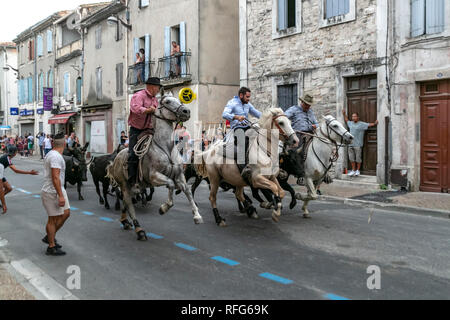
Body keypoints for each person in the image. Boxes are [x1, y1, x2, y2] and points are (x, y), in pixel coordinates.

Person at [127, 77, 160, 193]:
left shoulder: (155, 100)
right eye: (157, 87)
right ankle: (131, 181)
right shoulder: (139, 95)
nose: (159, 90)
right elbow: (135, 108)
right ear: (151, 87)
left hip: (150, 130)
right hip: (136, 130)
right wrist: (148, 110)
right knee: (133, 155)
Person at [41, 133, 70, 256]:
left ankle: (49, 237)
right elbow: (55, 177)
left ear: (53, 143)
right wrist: (60, 195)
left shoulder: (54, 154)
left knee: (66, 213)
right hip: (52, 191)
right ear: (64, 144)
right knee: (52, 219)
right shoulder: (55, 157)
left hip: (58, 189)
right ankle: (51, 246)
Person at [222, 87, 262, 175]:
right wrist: (236, 117)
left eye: (249, 97)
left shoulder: (247, 104)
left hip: (247, 127)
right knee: (242, 139)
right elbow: (224, 114)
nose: (249, 99)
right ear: (241, 95)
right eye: (247, 97)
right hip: (237, 128)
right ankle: (243, 167)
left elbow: (257, 113)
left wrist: (270, 116)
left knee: (260, 136)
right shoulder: (232, 103)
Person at [285, 94, 319, 183]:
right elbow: (284, 118)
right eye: (306, 104)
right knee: (300, 152)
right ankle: (301, 174)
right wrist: (290, 130)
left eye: (309, 105)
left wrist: (315, 126)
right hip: (298, 135)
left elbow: (317, 123)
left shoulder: (311, 111)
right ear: (302, 102)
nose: (308, 106)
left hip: (311, 134)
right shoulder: (294, 109)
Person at [0, 145, 39, 215]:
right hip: (0, 173)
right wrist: (29, 172)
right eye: (16, 151)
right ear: (14, 153)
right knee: (1, 190)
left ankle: (1, 197)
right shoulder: (7, 158)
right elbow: (16, 170)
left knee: (9, 188)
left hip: (1, 174)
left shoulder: (7, 157)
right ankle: (2, 200)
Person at [343, 110, 379, 177]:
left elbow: (369, 125)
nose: (353, 118)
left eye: (354, 116)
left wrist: (375, 123)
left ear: (358, 117)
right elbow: (346, 120)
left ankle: (357, 170)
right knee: (351, 158)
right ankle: (353, 170)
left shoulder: (361, 124)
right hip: (350, 144)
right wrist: (344, 114)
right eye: (352, 116)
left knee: (358, 158)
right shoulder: (350, 123)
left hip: (358, 145)